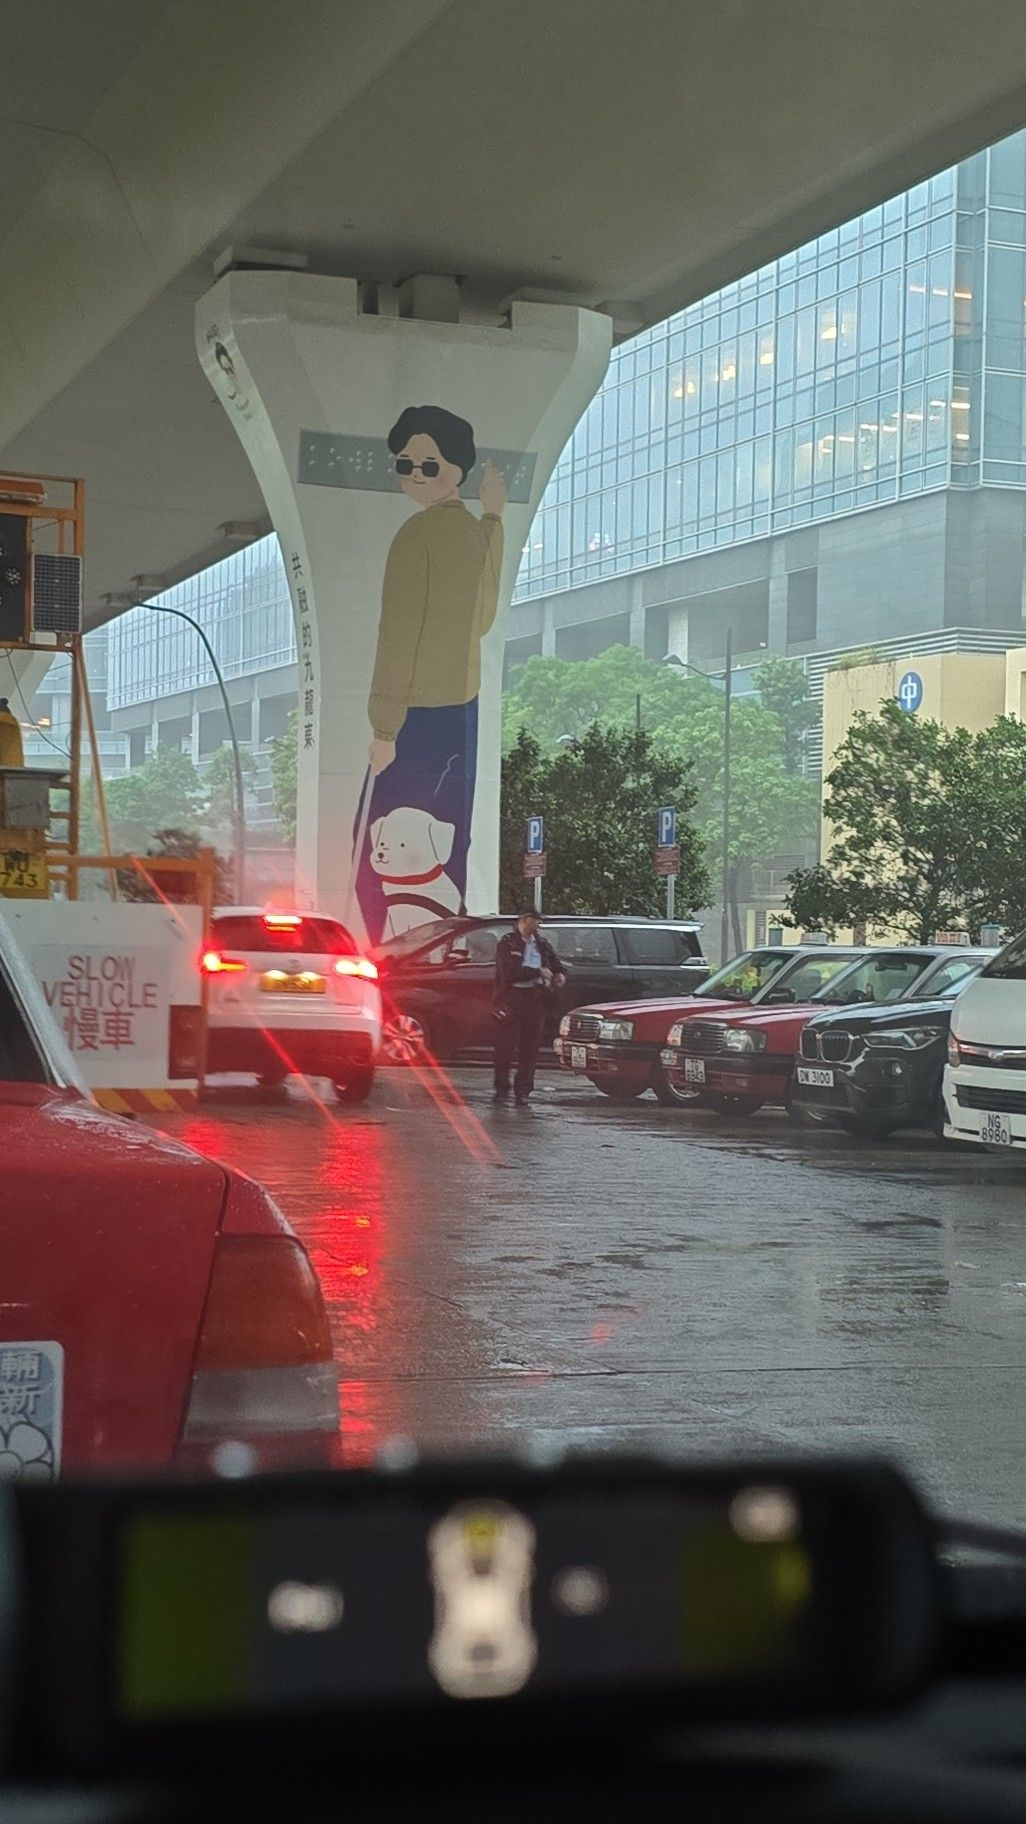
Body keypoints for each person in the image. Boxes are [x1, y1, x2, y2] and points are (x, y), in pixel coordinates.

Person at [357, 404, 507, 942]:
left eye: (428, 464)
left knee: (375, 852)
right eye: (406, 465)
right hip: (461, 714)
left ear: (457, 467)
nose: (415, 476)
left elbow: (397, 637)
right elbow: (484, 618)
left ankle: (389, 953)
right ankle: (440, 949)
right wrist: (494, 516)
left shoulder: (414, 536)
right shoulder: (476, 532)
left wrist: (383, 728)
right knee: (446, 843)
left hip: (414, 717)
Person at [493, 913, 567, 1106]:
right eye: (535, 920)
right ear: (524, 921)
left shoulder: (542, 944)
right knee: (505, 1046)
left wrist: (560, 975)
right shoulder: (508, 943)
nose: (538, 924)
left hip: (535, 998)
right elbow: (508, 972)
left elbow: (557, 965)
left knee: (531, 1047)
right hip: (512, 998)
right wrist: (535, 971)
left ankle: (523, 1090)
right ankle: (501, 1088)